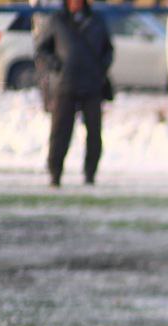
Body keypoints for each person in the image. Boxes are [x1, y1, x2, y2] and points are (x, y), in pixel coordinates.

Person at [35, 0, 113, 188]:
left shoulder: (96, 21)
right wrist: (56, 65)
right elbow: (42, 49)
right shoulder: (57, 21)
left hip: (92, 85)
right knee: (60, 132)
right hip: (65, 85)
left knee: (94, 133)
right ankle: (55, 173)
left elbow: (108, 49)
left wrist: (100, 69)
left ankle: (90, 174)